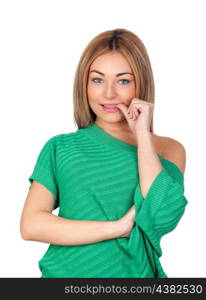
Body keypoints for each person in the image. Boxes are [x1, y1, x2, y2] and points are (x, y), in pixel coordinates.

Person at [20, 28, 188, 278]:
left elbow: (162, 215)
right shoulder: (60, 147)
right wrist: (116, 228)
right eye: (97, 80)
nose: (109, 93)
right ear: (84, 85)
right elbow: (31, 225)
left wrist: (143, 135)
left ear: (140, 83)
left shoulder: (168, 149)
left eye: (123, 81)